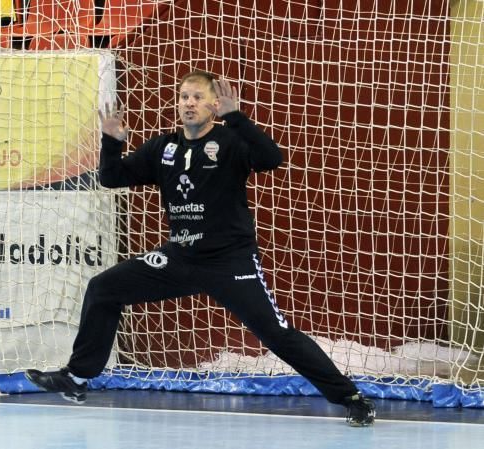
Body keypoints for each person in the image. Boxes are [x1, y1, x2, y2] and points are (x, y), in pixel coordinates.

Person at [25, 70, 376, 427]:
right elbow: (112, 178)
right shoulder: (164, 147)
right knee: (104, 288)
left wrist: (237, 117)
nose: (189, 104)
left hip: (229, 261)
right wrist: (112, 141)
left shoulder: (230, 141)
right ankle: (78, 377)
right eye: (183, 97)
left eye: (197, 97)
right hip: (179, 257)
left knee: (277, 334)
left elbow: (271, 158)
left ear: (213, 104)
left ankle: (350, 397)